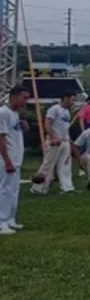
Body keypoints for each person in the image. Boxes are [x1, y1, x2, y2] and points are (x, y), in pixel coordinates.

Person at [31, 91, 76, 195]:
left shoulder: (66, 112)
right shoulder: (54, 109)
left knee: (65, 165)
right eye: (72, 100)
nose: (73, 102)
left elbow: (64, 127)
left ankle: (67, 188)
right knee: (48, 165)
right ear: (65, 98)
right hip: (55, 141)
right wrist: (53, 138)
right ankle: (38, 188)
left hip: (64, 141)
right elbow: (47, 123)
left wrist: (68, 139)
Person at [0, 87, 28, 235]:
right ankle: (1, 221)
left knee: (14, 190)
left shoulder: (15, 114)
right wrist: (7, 161)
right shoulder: (3, 113)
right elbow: (1, 139)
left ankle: (10, 218)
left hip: (16, 158)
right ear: (14, 97)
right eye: (24, 98)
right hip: (7, 159)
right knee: (5, 190)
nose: (26, 101)